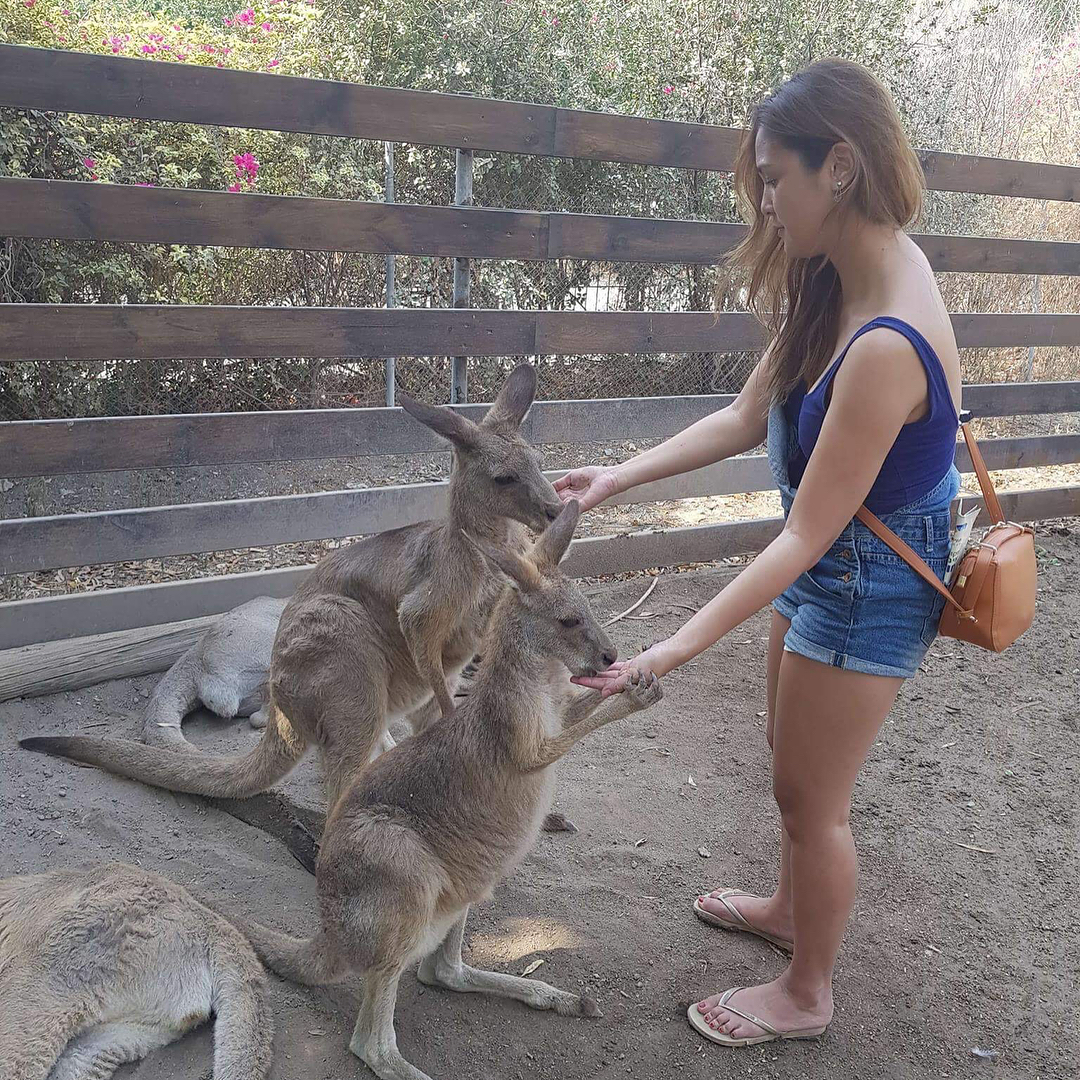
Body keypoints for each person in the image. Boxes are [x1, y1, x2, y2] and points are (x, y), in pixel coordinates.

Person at [556, 58, 962, 1048]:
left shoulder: (884, 345)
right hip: (834, 556)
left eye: (776, 177)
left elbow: (802, 537)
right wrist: (620, 477)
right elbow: (747, 416)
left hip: (869, 575)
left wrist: (667, 652)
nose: (767, 201)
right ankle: (788, 908)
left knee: (812, 799)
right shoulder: (836, 274)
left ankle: (807, 994)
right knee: (791, 763)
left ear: (842, 167)